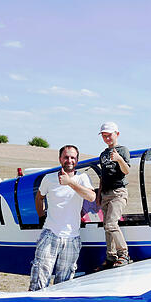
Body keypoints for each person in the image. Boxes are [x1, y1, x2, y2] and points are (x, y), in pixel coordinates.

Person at [29, 145, 95, 291]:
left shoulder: (82, 178)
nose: (69, 160)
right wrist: (41, 217)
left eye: (73, 157)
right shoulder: (49, 178)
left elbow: (91, 197)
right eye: (66, 157)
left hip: (73, 238)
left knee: (64, 284)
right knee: (39, 279)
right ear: (60, 159)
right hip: (50, 234)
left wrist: (70, 182)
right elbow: (39, 197)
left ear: (77, 160)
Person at [97, 122, 132, 268]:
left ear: (117, 134)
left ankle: (124, 254)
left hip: (118, 192)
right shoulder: (103, 154)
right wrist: (99, 194)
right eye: (104, 136)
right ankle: (111, 257)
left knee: (112, 223)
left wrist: (119, 159)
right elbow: (102, 176)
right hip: (105, 193)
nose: (107, 138)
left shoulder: (123, 150)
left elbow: (126, 171)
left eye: (109, 135)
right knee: (107, 226)